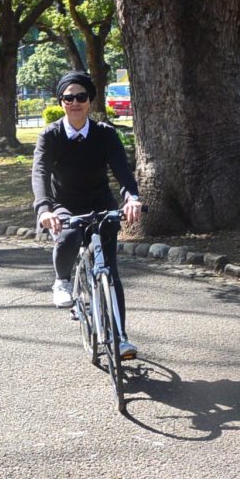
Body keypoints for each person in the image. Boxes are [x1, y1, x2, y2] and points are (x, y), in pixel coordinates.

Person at [31, 71, 142, 359]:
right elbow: (40, 172)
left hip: (100, 202)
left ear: (90, 101)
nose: (75, 102)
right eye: (69, 98)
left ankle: (120, 339)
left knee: (112, 274)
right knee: (68, 236)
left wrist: (132, 198)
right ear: (61, 102)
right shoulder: (51, 135)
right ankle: (62, 280)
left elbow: (123, 172)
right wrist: (44, 208)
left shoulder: (105, 134)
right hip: (64, 204)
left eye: (81, 97)